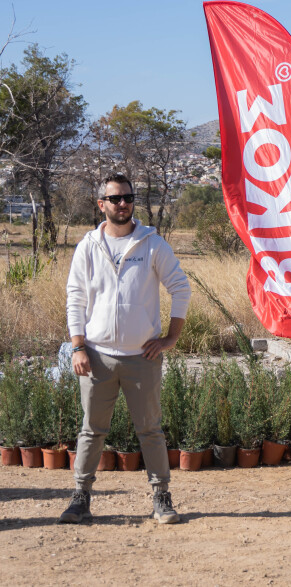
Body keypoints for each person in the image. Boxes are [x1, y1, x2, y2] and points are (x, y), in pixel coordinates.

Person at [60, 173, 191, 525]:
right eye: (115, 198)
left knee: (150, 430)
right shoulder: (89, 245)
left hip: (141, 358)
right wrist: (78, 346)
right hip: (97, 355)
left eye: (128, 198)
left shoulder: (151, 243)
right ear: (101, 203)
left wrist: (170, 339)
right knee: (91, 430)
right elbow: (76, 297)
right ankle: (80, 498)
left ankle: (162, 498)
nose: (123, 204)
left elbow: (181, 287)